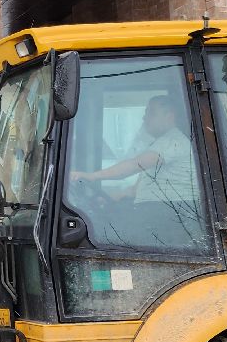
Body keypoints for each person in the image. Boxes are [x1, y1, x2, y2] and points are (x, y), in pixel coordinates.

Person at [70, 94, 201, 246]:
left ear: (169, 116)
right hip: (159, 212)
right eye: (146, 113)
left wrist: (91, 176)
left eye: (151, 113)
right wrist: (109, 197)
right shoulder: (159, 145)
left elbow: (133, 165)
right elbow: (135, 190)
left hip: (170, 215)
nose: (144, 118)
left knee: (110, 238)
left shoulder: (173, 141)